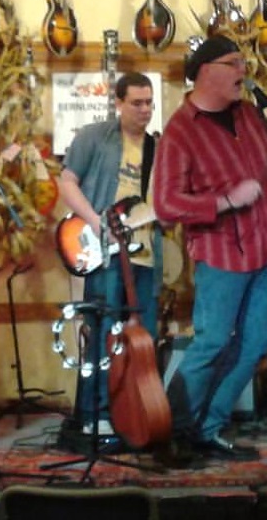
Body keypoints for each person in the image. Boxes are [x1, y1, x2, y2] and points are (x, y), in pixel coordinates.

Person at [153, 35, 267, 461]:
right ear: (206, 71)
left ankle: (208, 428)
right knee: (212, 341)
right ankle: (174, 431)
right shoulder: (180, 132)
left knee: (255, 345)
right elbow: (165, 203)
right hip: (221, 256)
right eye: (234, 63)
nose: (243, 72)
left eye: (243, 62)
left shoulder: (252, 116)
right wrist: (224, 201)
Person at [58, 71, 161, 436]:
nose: (144, 110)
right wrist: (95, 221)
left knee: (141, 339)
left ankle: (131, 414)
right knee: (103, 331)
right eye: (136, 103)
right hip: (104, 250)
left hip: (146, 255)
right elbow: (67, 182)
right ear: (118, 103)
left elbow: (162, 203)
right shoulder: (94, 137)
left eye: (149, 103)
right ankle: (93, 414)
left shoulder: (157, 148)